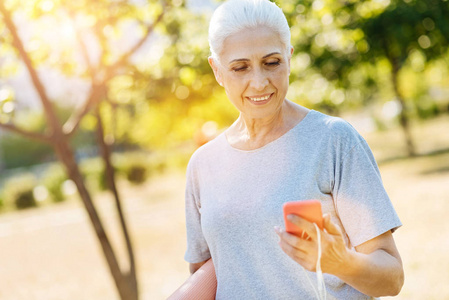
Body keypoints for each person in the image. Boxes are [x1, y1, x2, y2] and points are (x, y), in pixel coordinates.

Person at [183, 0, 404, 299]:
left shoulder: (333, 140)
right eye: (240, 67)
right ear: (218, 70)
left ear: (289, 57)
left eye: (272, 62)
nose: (259, 83)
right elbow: (205, 274)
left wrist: (341, 262)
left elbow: (392, 278)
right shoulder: (203, 164)